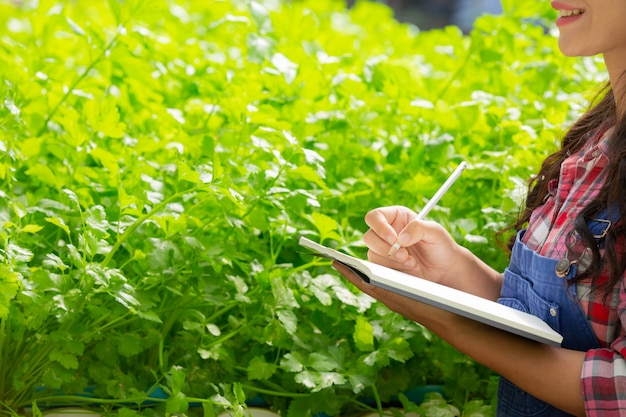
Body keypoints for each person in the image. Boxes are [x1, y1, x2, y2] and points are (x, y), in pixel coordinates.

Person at [333, 2, 626, 416]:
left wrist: (450, 322)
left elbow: (620, 390)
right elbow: (547, 324)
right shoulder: (596, 138)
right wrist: (447, 272)